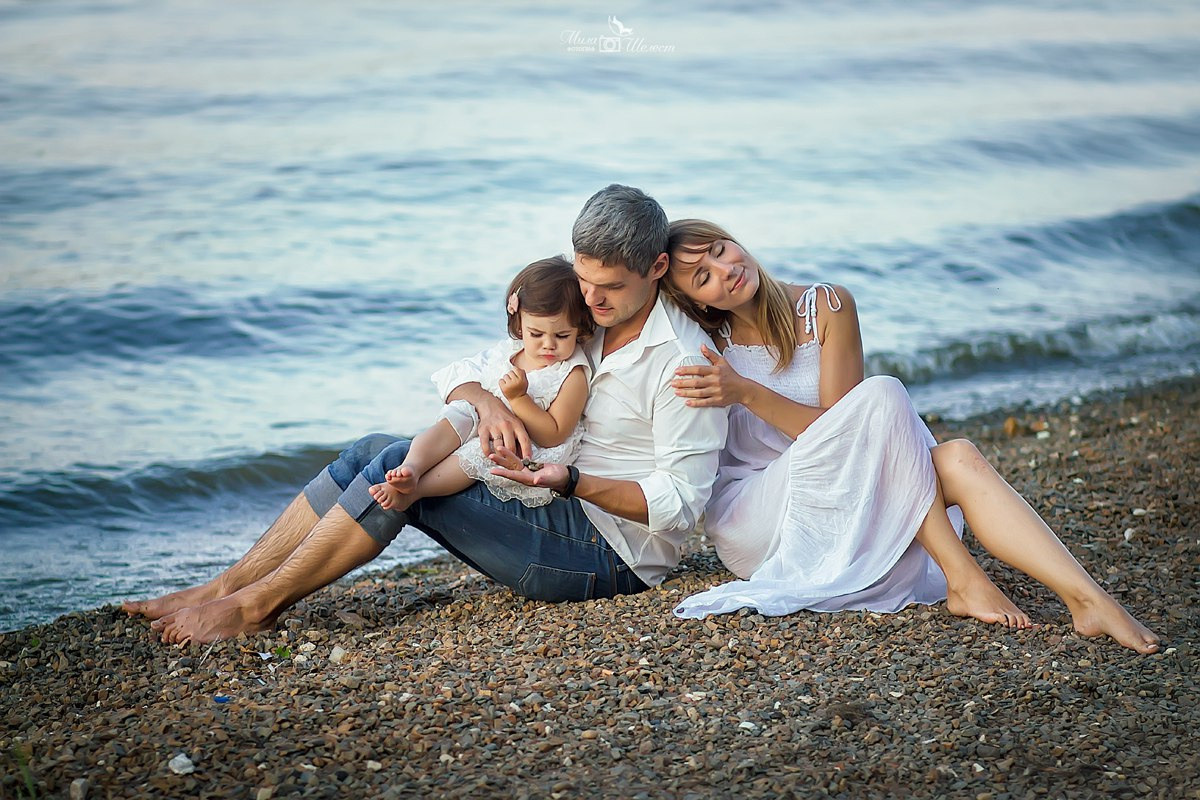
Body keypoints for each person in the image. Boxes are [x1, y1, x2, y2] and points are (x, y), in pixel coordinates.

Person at [123, 185, 728, 645]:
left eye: (611, 288)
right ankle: (230, 586)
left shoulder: (682, 363)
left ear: (654, 269)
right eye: (583, 278)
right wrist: (489, 403)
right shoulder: (586, 313)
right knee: (371, 449)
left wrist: (567, 480)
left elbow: (683, 503)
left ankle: (253, 606)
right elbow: (468, 368)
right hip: (548, 506)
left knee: (390, 465)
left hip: (608, 556)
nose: (592, 300)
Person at [662, 218, 1160, 654]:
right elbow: (857, 427)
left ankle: (1089, 600)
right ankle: (963, 575)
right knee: (882, 396)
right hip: (759, 516)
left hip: (849, 490)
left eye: (720, 250)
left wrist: (748, 393)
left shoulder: (826, 306)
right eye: (703, 276)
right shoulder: (707, 346)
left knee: (958, 456)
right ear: (696, 304)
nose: (725, 269)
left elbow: (847, 433)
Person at [367, 256, 592, 512]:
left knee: (482, 450)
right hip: (483, 421)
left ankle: (415, 491)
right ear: (518, 323)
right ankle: (412, 466)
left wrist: (519, 400)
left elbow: (554, 434)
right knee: (458, 413)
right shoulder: (509, 351)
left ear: (580, 327)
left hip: (524, 447)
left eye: (562, 335)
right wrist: (482, 404)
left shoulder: (571, 373)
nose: (548, 344)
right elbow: (460, 377)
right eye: (536, 334)